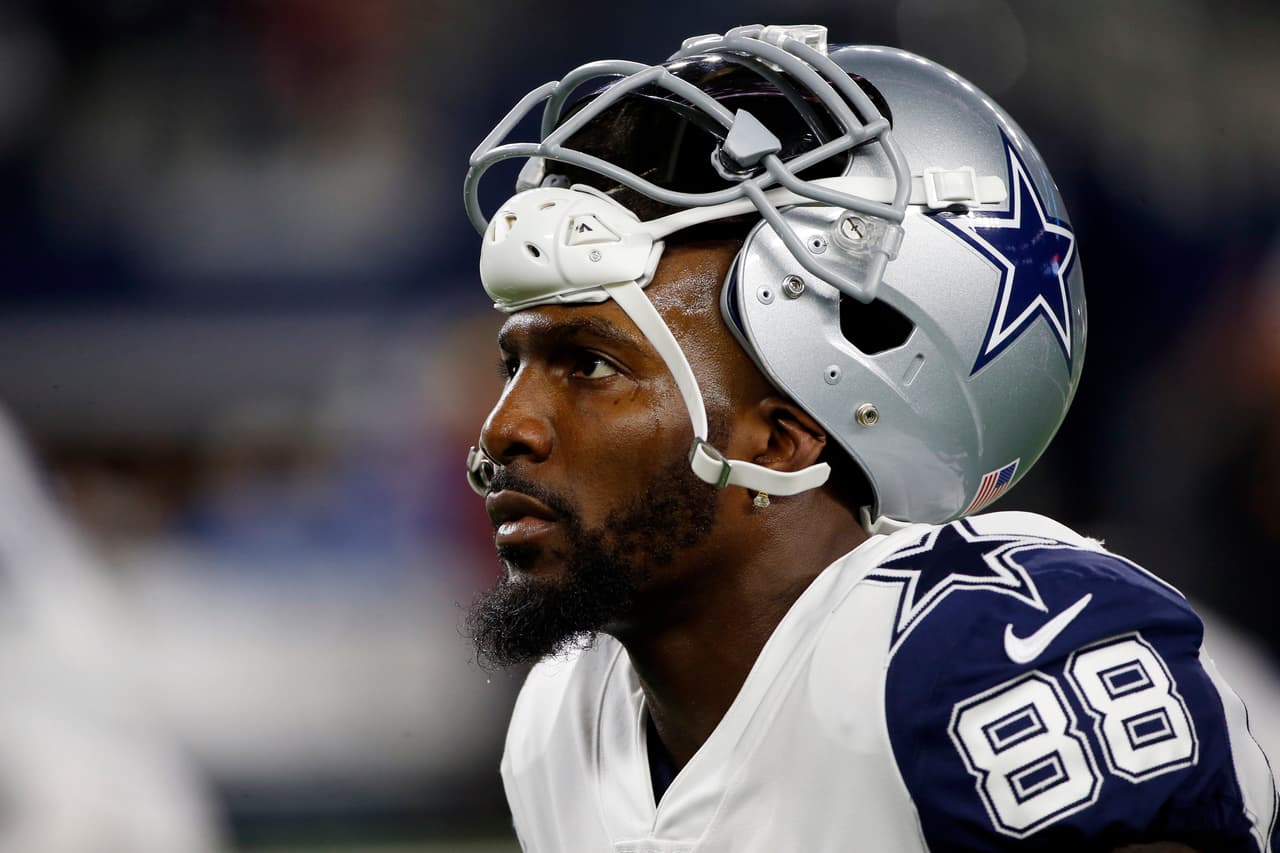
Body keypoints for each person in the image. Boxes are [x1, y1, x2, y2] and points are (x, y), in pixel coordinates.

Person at [459, 25, 1277, 851]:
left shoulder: (980, 652)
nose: (505, 429)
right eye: (512, 363)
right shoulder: (563, 724)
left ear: (781, 440)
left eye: (590, 366)